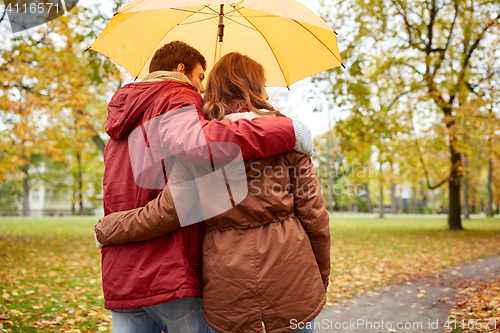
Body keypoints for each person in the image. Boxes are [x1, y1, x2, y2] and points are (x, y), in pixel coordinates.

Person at [96, 52, 330, 333]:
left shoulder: (194, 153)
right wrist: (320, 276)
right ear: (254, 88)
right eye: (264, 84)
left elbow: (169, 210)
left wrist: (109, 229)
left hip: (228, 281)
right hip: (292, 274)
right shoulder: (290, 144)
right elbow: (316, 220)